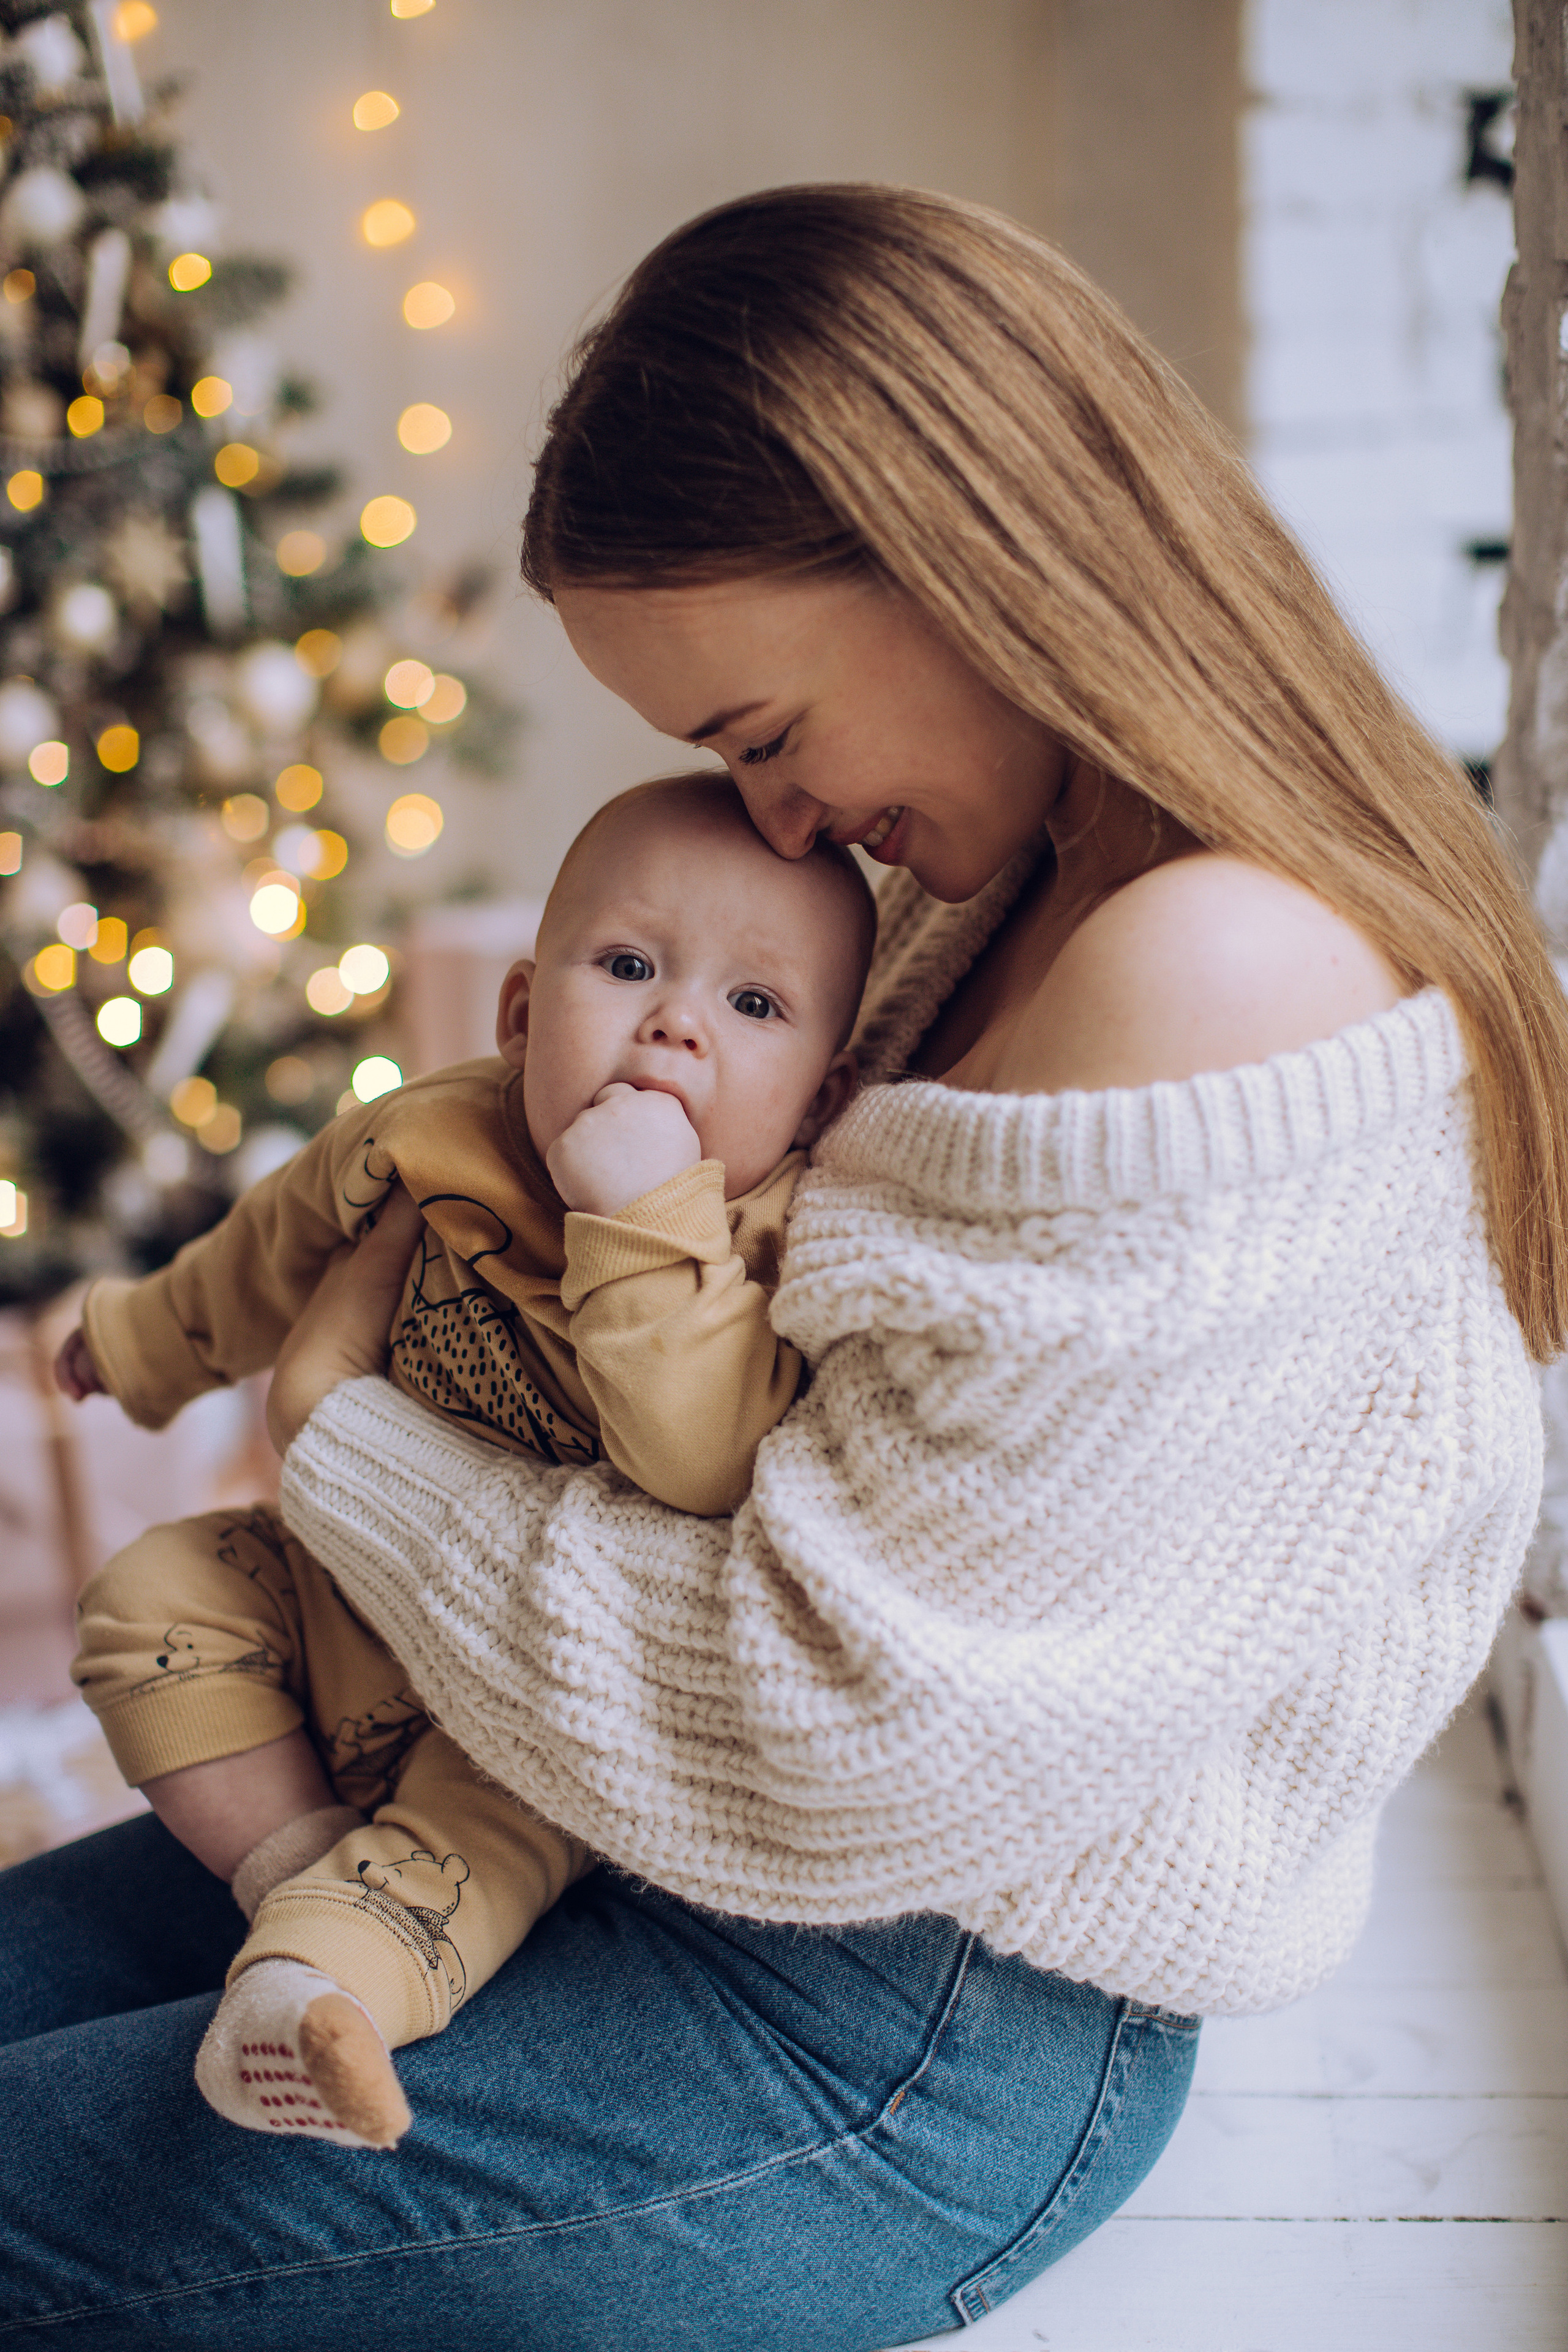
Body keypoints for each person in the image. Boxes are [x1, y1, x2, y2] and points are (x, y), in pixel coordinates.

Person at [0, 184, 1559, 2352]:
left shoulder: (1217, 966)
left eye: (757, 735)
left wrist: (345, 1440)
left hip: (896, 2027)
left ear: (961, 555)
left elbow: (839, 1739)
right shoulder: (993, 880)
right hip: (597, 1817)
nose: (783, 830)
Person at [53, 772, 871, 2150]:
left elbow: (702, 1463)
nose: (674, 1020)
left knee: (471, 1854)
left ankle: (311, 2006)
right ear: (518, 1016)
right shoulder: (429, 1134)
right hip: (329, 1592)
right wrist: (139, 1342)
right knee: (153, 1596)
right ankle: (302, 1874)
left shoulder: (768, 1246)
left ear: (821, 1096)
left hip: (525, 1692)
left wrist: (644, 1219)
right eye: (627, 968)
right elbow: (271, 1252)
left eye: (754, 1005)